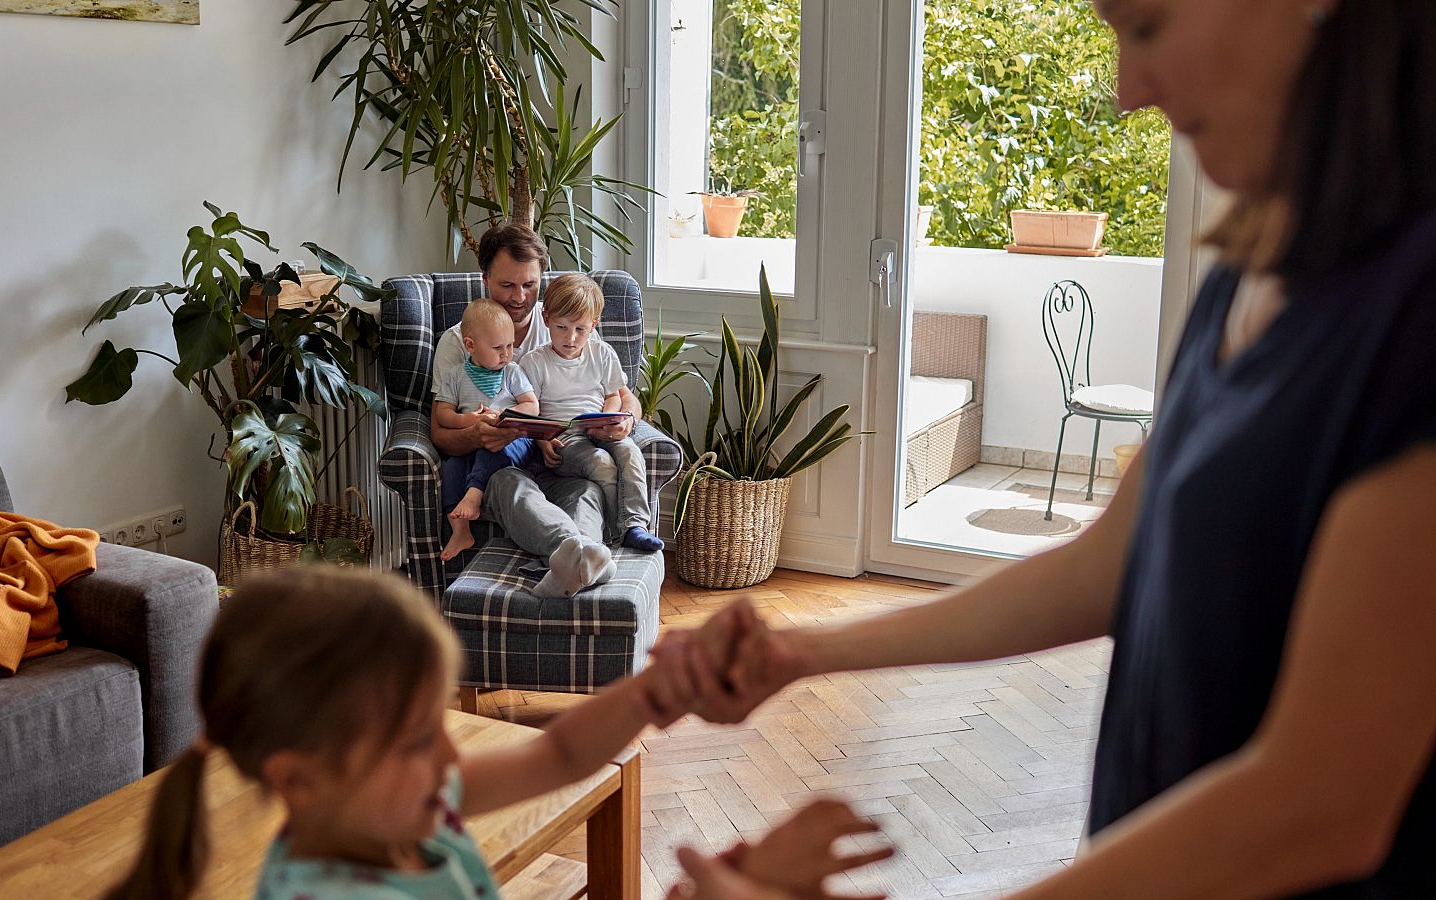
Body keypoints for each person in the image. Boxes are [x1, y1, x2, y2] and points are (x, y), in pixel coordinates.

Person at [668, 0, 1436, 896]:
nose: (1126, 90)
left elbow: (1322, 802)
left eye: (1146, 27)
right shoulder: (1245, 279)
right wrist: (804, 655)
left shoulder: (1415, 317)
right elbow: (1114, 565)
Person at [101, 569, 887, 900]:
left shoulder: (408, 812)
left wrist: (652, 691)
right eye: (415, 741)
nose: (450, 754)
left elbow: (558, 752)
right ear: (299, 780)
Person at [430, 224, 646, 597]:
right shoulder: (459, 341)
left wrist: (624, 422)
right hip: (505, 466)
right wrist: (476, 434)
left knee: (586, 492)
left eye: (529, 285)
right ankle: (573, 553)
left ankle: (583, 561)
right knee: (510, 485)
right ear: (485, 279)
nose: (519, 296)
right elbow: (439, 432)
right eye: (507, 285)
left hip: (566, 458)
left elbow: (625, 396)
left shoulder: (565, 324)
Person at [520, 274, 664, 553]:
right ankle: (611, 535)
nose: (570, 338)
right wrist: (542, 440)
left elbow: (614, 395)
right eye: (561, 327)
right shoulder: (535, 362)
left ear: (593, 325)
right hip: (565, 439)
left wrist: (610, 418)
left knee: (631, 455)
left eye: (580, 330)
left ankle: (636, 526)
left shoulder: (602, 353)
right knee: (602, 463)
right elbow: (531, 411)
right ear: (546, 318)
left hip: (600, 428)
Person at [432, 299, 539, 562]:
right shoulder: (456, 376)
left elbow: (532, 405)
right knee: (451, 468)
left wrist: (505, 417)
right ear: (470, 345)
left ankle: (474, 494)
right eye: (498, 348)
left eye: (510, 346)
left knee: (493, 445)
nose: (506, 354)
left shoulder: (511, 372)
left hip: (511, 440)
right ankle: (460, 529)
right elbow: (443, 414)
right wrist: (470, 420)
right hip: (473, 440)